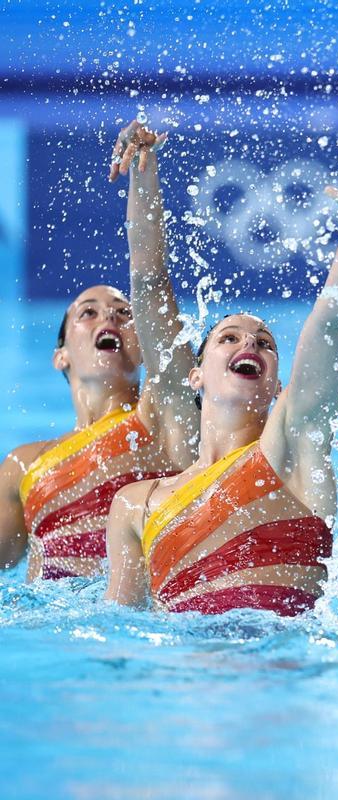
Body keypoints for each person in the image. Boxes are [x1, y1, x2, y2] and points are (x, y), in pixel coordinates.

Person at [103, 173, 338, 615]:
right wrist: (143, 169)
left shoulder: (291, 451)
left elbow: (331, 316)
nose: (250, 345)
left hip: (283, 670)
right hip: (184, 675)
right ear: (196, 375)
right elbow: (121, 628)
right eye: (229, 339)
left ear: (278, 385)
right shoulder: (137, 504)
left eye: (265, 343)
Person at [0, 120, 198, 580]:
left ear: (146, 348)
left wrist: (144, 175)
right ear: (61, 355)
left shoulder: (161, 418)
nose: (108, 318)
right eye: (87, 313)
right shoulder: (23, 465)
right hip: (50, 634)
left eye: (123, 314)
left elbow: (150, 279)